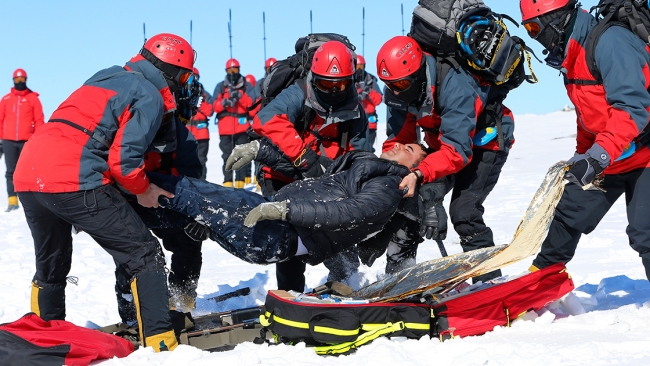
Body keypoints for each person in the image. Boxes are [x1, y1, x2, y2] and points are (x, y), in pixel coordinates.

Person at [12, 32, 196, 352]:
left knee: (52, 265)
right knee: (144, 254)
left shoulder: (105, 77)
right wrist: (144, 190)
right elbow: (124, 163)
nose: (180, 83)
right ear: (169, 72)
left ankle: (42, 335)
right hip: (72, 177)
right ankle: (159, 342)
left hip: (29, 175)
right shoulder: (150, 94)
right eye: (182, 76)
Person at [519, 0, 650, 280]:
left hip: (644, 155)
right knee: (570, 211)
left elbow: (631, 107)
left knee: (646, 232)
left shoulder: (610, 42)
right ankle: (540, 280)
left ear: (555, 19)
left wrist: (598, 156)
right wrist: (584, 155)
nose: (534, 36)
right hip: (614, 152)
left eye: (534, 28)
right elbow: (588, 115)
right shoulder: (572, 54)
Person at [148, 141, 426, 268]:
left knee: (183, 190)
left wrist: (286, 211)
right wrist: (261, 152)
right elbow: (315, 175)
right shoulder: (364, 170)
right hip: (272, 228)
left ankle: (124, 180)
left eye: (409, 149)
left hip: (280, 231)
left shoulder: (389, 185)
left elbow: (351, 214)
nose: (399, 145)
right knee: (176, 211)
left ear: (414, 169)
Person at [232, 40, 370, 291]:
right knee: (290, 240)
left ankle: (347, 284)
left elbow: (360, 157)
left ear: (352, 80)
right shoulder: (298, 92)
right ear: (314, 78)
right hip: (280, 174)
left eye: (341, 84)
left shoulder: (356, 113)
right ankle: (290, 295)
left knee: (338, 231)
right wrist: (303, 157)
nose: (334, 91)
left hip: (327, 177)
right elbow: (266, 120)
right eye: (326, 84)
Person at [376, 36, 516, 281]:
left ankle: (488, 282)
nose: (396, 90)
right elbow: (400, 140)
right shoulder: (399, 91)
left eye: (401, 84)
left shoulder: (455, 85)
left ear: (418, 72)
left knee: (465, 212)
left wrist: (420, 174)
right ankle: (398, 277)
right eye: (390, 85)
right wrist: (393, 177)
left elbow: (457, 152)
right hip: (443, 144)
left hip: (486, 142)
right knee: (408, 202)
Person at [0, 69, 44, 212]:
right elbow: (0, 121)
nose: (20, 82)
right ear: (13, 81)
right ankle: (12, 200)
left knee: (28, 171)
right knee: (10, 172)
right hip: (8, 141)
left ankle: (30, 200)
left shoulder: (33, 99)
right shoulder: (6, 99)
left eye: (22, 79)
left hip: (27, 142)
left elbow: (39, 121)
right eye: (17, 80)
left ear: (26, 79)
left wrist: (37, 141)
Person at [213, 58, 254, 188]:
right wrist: (225, 102)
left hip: (242, 127)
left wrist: (240, 97)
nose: (233, 72)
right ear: (226, 71)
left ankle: (241, 182)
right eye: (230, 70)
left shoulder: (247, 86)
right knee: (227, 156)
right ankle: (228, 181)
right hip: (225, 128)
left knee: (242, 155)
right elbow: (215, 107)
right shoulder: (221, 87)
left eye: (235, 69)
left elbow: (251, 105)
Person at [185, 67, 214, 180]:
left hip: (202, 134)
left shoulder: (205, 94)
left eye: (195, 77)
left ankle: (202, 186)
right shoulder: (182, 93)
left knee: (201, 161)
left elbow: (210, 111)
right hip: (187, 134)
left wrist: (199, 102)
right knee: (186, 162)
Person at [355, 55, 383, 152]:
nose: (359, 69)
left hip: (370, 120)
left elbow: (378, 100)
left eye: (360, 67)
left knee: (369, 147)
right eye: (357, 66)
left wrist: (369, 91)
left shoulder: (371, 81)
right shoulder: (350, 81)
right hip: (355, 119)